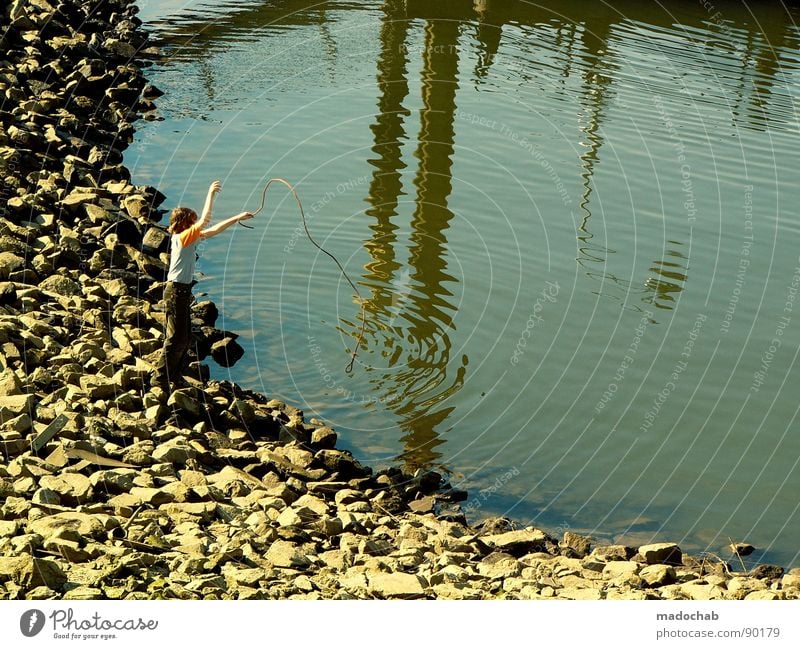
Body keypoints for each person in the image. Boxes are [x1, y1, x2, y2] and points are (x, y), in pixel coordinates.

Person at [152, 180, 254, 393]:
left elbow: (213, 229)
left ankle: (176, 377)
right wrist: (210, 194)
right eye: (193, 220)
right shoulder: (182, 237)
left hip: (182, 291)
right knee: (175, 338)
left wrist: (236, 218)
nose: (197, 222)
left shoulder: (189, 238)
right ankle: (159, 378)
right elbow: (207, 220)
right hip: (176, 292)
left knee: (186, 337)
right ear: (185, 223)